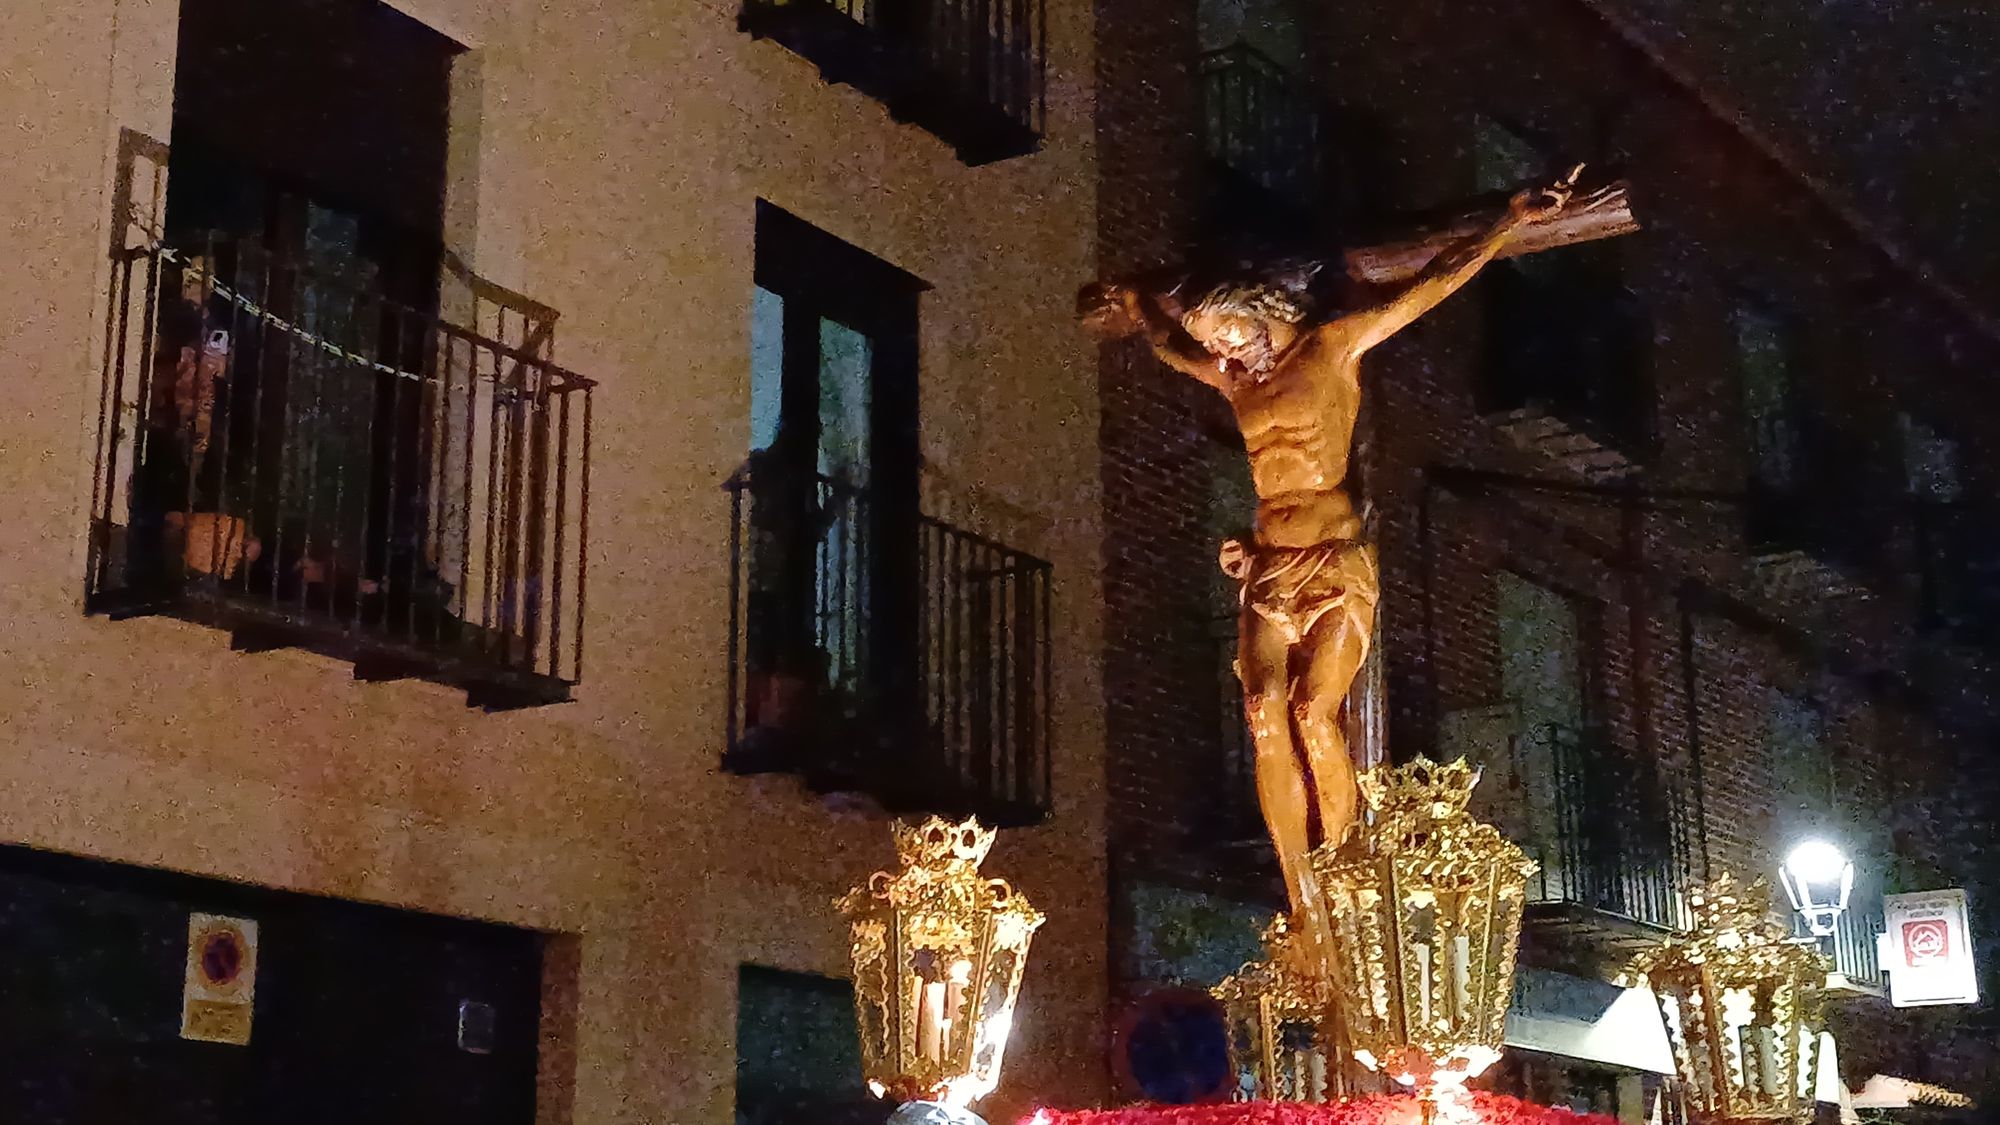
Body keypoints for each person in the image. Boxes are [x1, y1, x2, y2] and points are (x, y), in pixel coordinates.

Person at [1079, 173, 1577, 942]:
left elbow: (1428, 286)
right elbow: (1171, 351)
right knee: (1261, 711)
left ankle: (1343, 873)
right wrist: (1142, 305)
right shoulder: (1235, 383)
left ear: (1260, 312)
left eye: (1229, 336)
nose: (1223, 352)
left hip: (1335, 562)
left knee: (1314, 712)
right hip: (1270, 569)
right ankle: (1301, 895)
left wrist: (1507, 223)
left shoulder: (1333, 349)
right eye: (1216, 344)